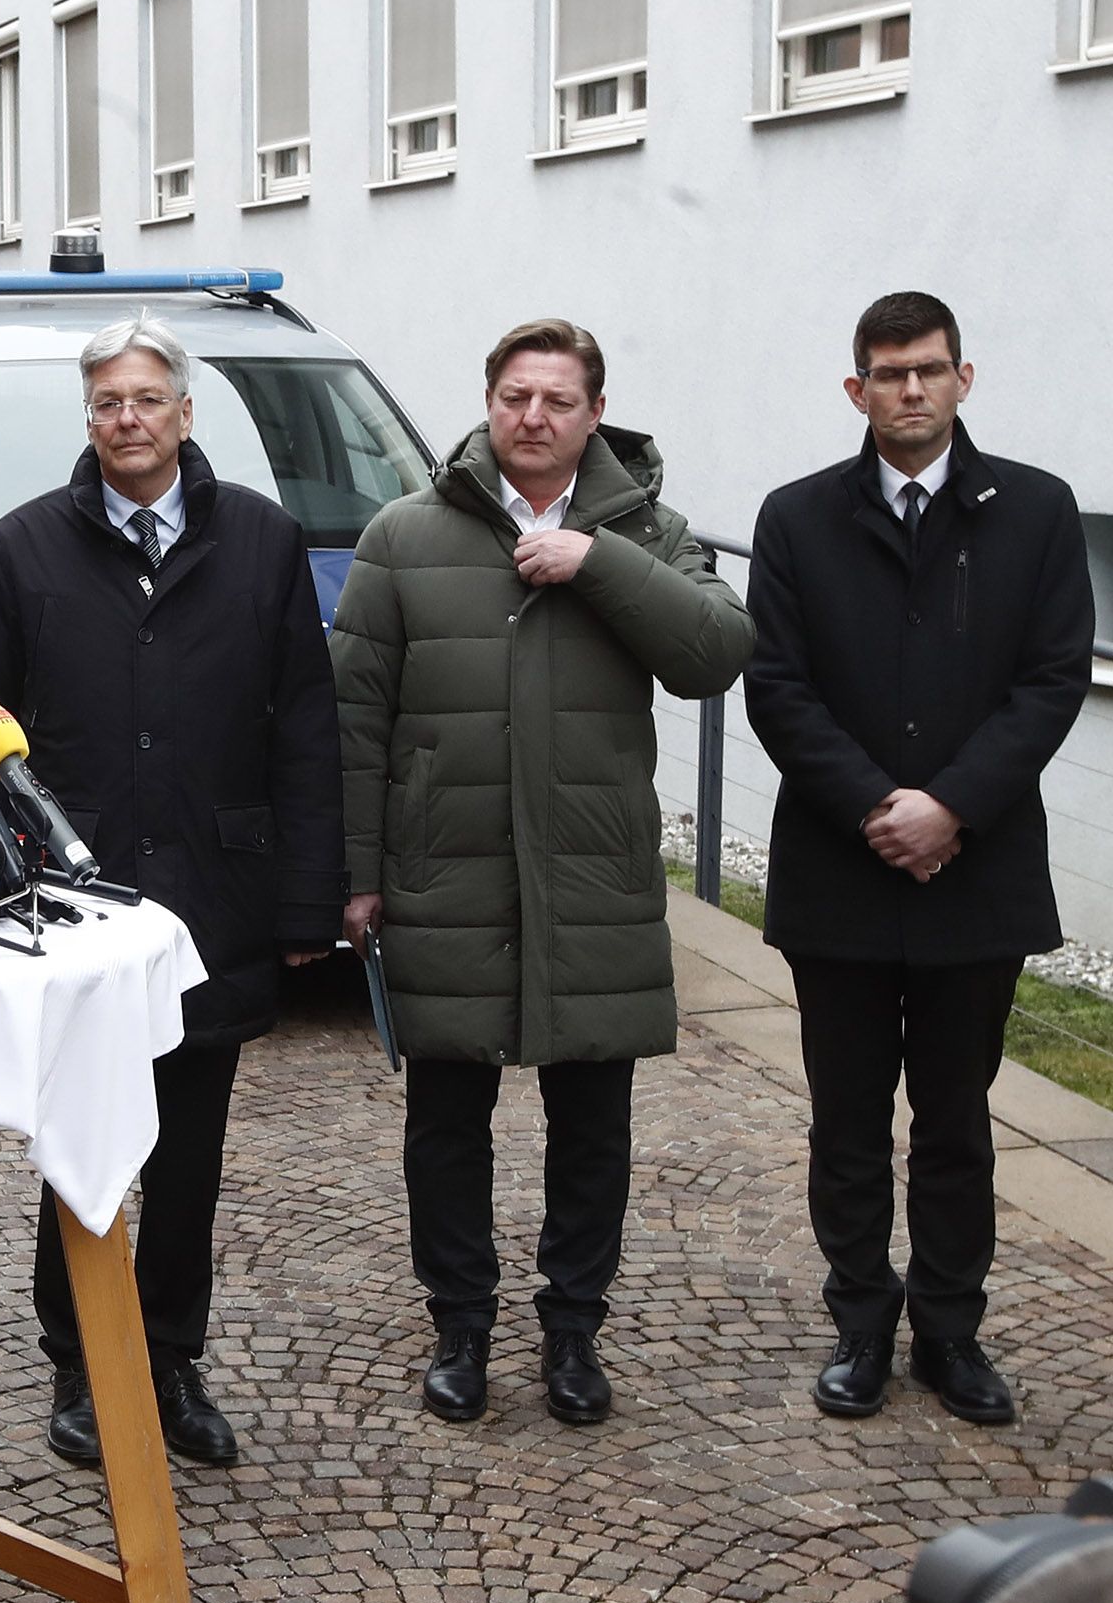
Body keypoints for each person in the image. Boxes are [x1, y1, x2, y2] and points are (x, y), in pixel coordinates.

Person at [333, 317, 751, 1426]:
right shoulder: (403, 534)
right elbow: (355, 718)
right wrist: (359, 873)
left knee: (593, 1121)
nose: (533, 417)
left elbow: (716, 653)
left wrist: (598, 562)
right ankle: (460, 1326)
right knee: (446, 1118)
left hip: (591, 875)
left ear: (594, 413)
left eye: (558, 400)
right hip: (446, 869)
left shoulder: (648, 529)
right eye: (516, 396)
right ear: (488, 400)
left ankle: (573, 1330)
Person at [0, 314, 343, 1469]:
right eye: (108, 402)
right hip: (77, 899)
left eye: (147, 399)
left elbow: (306, 725)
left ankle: (170, 1355)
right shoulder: (23, 548)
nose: (128, 419)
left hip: (213, 891)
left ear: (185, 412)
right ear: (89, 418)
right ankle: (79, 1357)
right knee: (81, 1140)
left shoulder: (263, 541)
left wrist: (309, 897)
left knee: (188, 1149)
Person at [744, 292, 1093, 1426]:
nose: (910, 389)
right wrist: (875, 808)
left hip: (976, 874)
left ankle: (950, 1329)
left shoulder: (1037, 510)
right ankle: (861, 1321)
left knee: (955, 1121)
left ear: (962, 379)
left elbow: (1051, 680)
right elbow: (777, 688)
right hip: (839, 873)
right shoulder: (797, 518)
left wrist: (951, 808)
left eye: (929, 369)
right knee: (846, 1121)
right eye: (889, 373)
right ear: (857, 389)